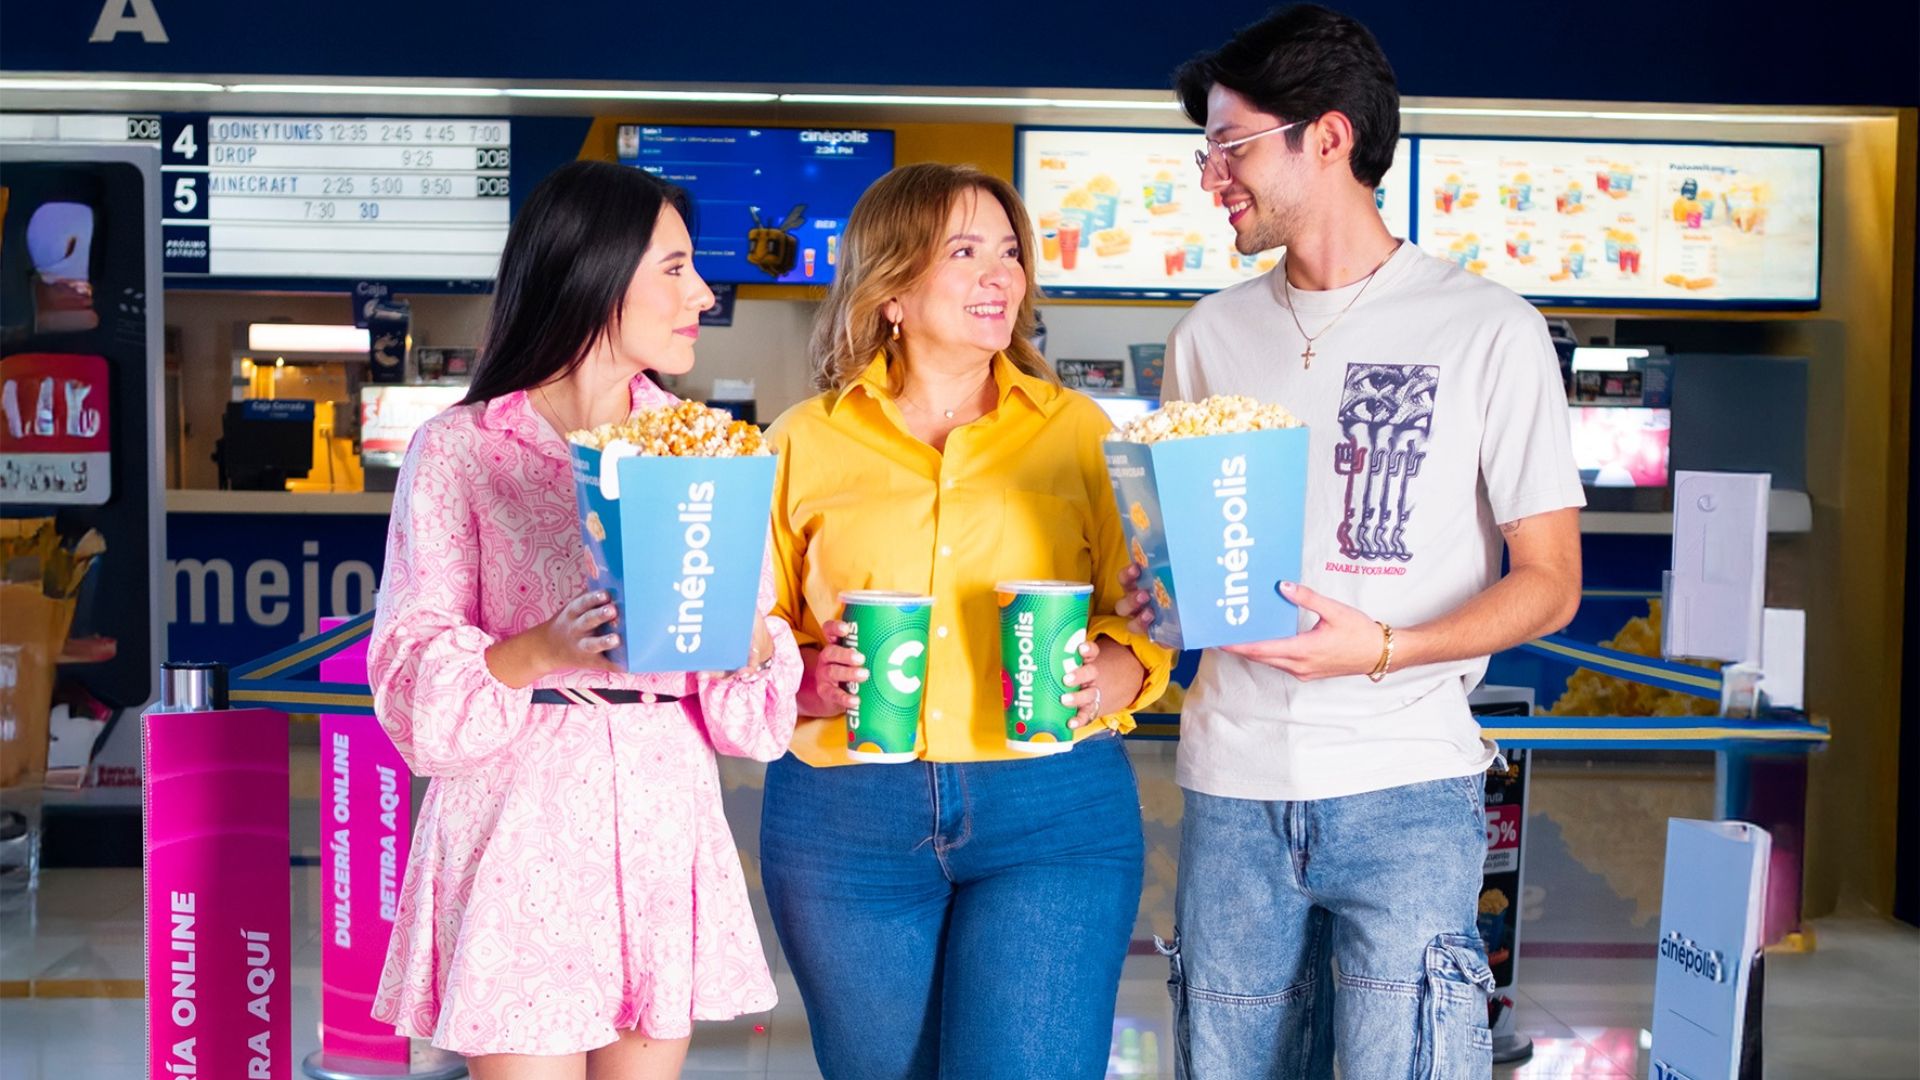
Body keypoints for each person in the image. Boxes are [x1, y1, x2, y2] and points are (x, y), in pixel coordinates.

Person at [1122, 6, 1585, 1077]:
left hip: (1409, 784)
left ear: (1327, 138)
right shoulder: (1208, 335)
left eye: (1231, 147)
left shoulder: (1486, 327)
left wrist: (1379, 647)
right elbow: (1187, 561)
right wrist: (1163, 594)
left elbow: (1551, 581)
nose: (1211, 177)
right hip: (1232, 782)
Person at [367, 161, 803, 1080]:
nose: (703, 294)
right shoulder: (461, 450)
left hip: (660, 815)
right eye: (676, 269)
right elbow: (410, 684)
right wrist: (537, 651)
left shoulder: (715, 450)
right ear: (596, 273)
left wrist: (752, 633)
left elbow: (749, 714)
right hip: (518, 824)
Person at [759, 162, 1173, 1078]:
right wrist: (803, 676)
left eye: (1011, 253)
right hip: (844, 822)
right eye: (965, 251)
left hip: (1052, 811)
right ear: (892, 287)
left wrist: (1124, 667)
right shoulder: (801, 438)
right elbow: (755, 636)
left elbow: (1147, 611)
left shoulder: (1082, 433)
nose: (1001, 275)